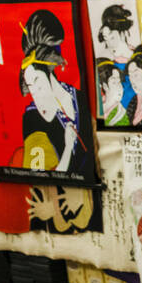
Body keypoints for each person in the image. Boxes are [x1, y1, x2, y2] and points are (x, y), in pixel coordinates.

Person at [19, 10, 92, 181]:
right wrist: (67, 148)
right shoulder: (32, 119)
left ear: (50, 72)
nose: (35, 93)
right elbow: (38, 177)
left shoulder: (79, 97)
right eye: (30, 86)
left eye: (37, 81)